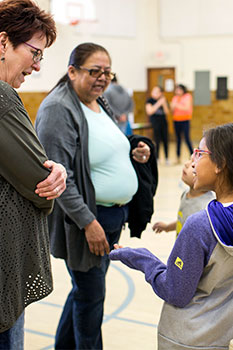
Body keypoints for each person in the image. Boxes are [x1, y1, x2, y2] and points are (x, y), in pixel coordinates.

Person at [35, 42, 151, 350]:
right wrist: (89, 222)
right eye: (94, 71)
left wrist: (134, 151)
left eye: (107, 72)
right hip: (85, 222)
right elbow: (58, 175)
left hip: (112, 217)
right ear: (72, 71)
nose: (102, 78)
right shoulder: (59, 108)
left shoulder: (99, 101)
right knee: (91, 297)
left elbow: (107, 145)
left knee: (83, 293)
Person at [109, 123, 233, 349]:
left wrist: (142, 258)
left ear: (221, 163)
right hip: (220, 337)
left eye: (200, 153)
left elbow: (175, 291)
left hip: (186, 338)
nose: (192, 161)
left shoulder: (201, 225)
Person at [0, 0, 67, 348]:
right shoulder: (3, 98)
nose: (37, 66)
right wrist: (54, 176)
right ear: (2, 43)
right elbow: (38, 185)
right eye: (34, 53)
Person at [153, 158, 215, 238]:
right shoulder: (185, 194)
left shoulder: (207, 207)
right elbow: (183, 221)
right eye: (189, 159)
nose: (186, 164)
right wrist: (167, 227)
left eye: (193, 164)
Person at [145, 86, 169, 164]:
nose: (154, 93)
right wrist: (159, 103)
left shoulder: (163, 100)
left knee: (165, 140)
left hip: (163, 122)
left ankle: (166, 158)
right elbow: (150, 111)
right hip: (155, 123)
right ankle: (157, 158)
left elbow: (167, 112)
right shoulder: (150, 100)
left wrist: (164, 103)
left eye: (157, 92)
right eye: (153, 91)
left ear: (161, 93)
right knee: (157, 141)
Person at [171, 84, 193, 164]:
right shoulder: (175, 98)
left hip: (185, 120)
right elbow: (172, 108)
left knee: (187, 138)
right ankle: (178, 157)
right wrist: (177, 105)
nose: (177, 91)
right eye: (176, 90)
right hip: (176, 120)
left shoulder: (187, 96)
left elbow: (186, 108)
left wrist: (176, 105)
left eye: (179, 89)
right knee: (178, 139)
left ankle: (192, 155)